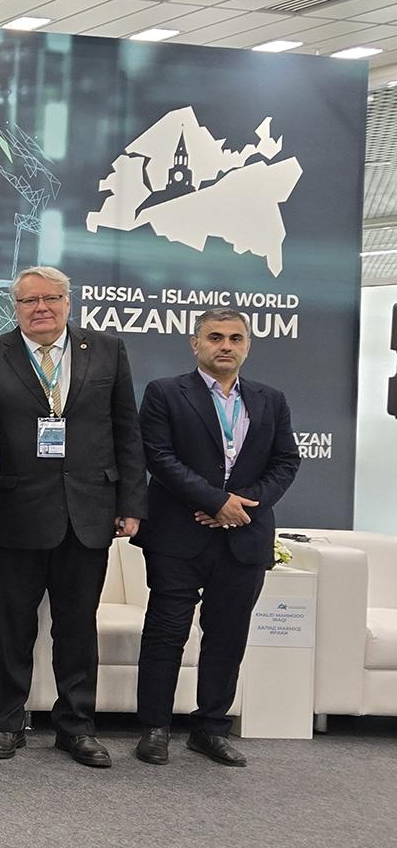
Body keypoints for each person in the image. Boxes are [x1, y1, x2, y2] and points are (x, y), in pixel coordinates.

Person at [0, 265, 146, 768]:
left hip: (89, 512)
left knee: (78, 627)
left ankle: (76, 728)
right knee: (11, 626)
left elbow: (126, 429)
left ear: (68, 302)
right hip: (17, 511)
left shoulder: (107, 350)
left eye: (50, 299)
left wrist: (131, 503)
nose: (40, 308)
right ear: (15, 308)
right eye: (29, 301)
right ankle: (4, 724)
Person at [133, 309, 300, 768]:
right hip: (177, 536)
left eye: (235, 338)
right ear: (196, 344)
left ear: (247, 346)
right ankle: (155, 728)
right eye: (215, 337)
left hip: (244, 536)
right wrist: (214, 501)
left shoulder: (271, 399)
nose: (225, 346)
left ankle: (210, 729)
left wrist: (241, 506)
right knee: (166, 633)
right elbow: (159, 457)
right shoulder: (165, 392)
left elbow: (286, 461)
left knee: (228, 637)